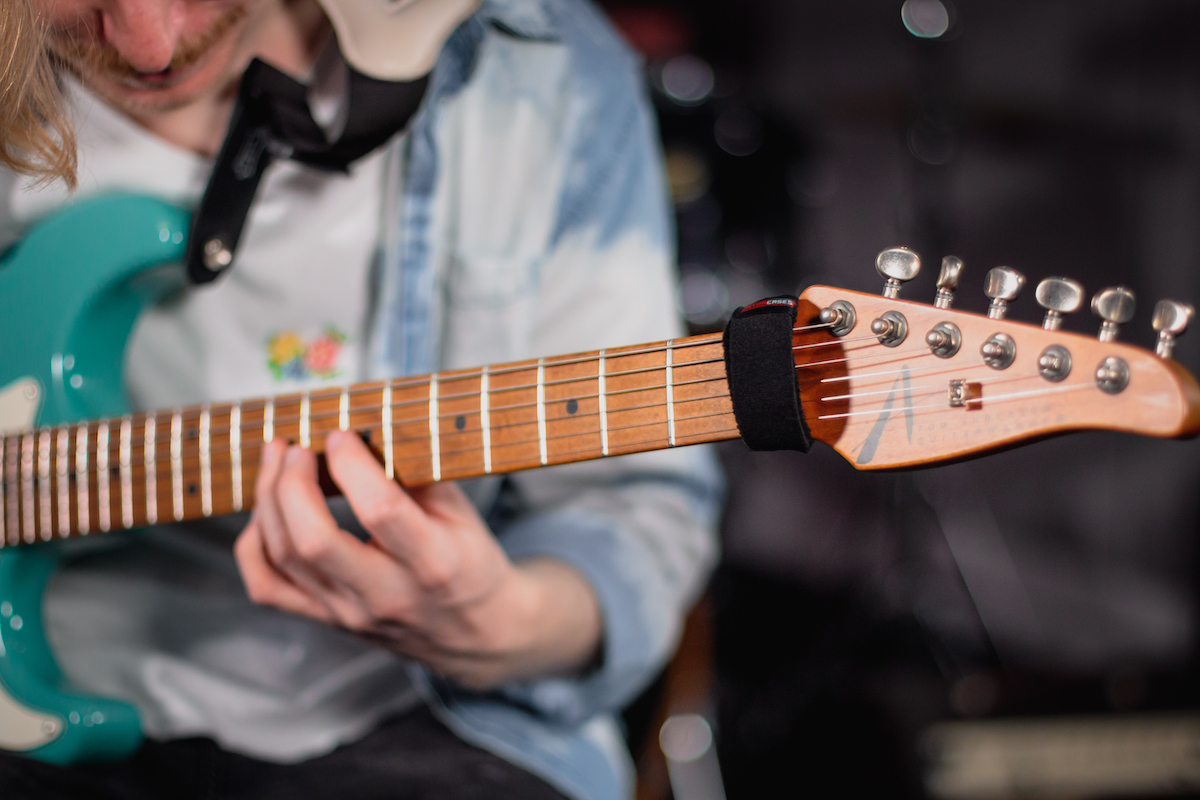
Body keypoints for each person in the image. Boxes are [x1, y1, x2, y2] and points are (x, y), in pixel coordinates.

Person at [0, 0, 721, 798]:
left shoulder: (542, 67)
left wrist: (498, 622)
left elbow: (635, 510)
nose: (147, 43)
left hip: (407, 724)